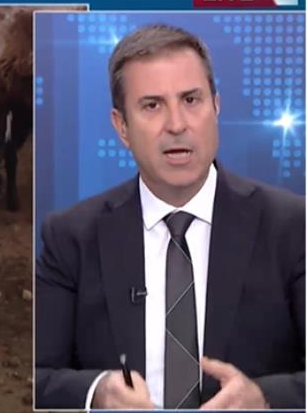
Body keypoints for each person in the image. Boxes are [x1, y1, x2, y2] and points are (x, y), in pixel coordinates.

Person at [35, 24, 304, 410]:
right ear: (122, 127)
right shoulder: (70, 237)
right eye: (152, 105)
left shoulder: (293, 227)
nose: (177, 125)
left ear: (216, 107)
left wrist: (265, 399)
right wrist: (97, 391)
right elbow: (39, 376)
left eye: (191, 99)